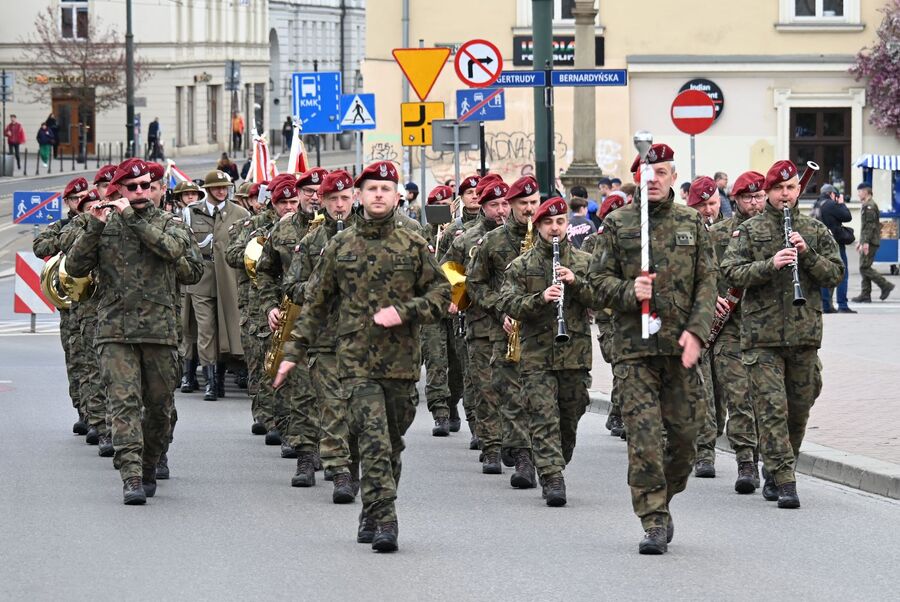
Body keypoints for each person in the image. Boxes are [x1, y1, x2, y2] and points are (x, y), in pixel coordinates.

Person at [278, 160, 451, 553]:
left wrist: (405, 312)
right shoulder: (340, 245)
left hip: (403, 363)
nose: (377, 195)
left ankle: (371, 511)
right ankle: (386, 518)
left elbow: (442, 295)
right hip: (354, 363)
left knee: (390, 444)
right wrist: (293, 352)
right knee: (372, 440)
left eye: (385, 189)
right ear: (359, 196)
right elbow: (317, 304)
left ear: (395, 196)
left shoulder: (412, 243)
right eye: (371, 188)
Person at [588, 143, 716, 554]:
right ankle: (653, 520)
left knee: (685, 438)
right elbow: (595, 282)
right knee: (643, 439)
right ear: (637, 176)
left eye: (662, 172)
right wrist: (629, 290)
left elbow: (707, 284)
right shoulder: (618, 223)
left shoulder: (692, 223)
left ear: (673, 176)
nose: (654, 179)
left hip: (679, 347)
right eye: (647, 171)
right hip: (634, 349)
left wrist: (697, 332)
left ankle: (665, 494)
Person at [65, 158, 202, 504]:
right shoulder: (105, 224)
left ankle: (151, 462)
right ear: (119, 190)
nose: (140, 192)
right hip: (114, 331)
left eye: (145, 186)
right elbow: (74, 266)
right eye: (132, 187)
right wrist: (94, 227)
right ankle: (130, 476)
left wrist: (130, 217)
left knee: (158, 408)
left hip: (160, 333)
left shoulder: (169, 224)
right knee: (123, 405)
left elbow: (177, 255)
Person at [721, 159, 843, 509]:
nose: (785, 194)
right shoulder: (750, 230)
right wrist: (769, 265)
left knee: (798, 409)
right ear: (769, 192)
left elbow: (834, 274)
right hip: (763, 336)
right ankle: (787, 480)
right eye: (778, 189)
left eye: (791, 188)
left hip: (805, 334)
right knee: (772, 408)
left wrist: (806, 255)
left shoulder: (815, 231)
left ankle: (774, 468)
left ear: (798, 190)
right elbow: (730, 270)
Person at [498, 197, 595, 506]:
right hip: (537, 354)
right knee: (543, 415)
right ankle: (552, 476)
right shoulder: (522, 265)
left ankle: (555, 460)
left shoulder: (583, 262)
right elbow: (508, 303)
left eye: (560, 222)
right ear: (538, 226)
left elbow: (604, 298)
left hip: (575, 352)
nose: (555, 228)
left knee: (571, 412)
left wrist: (576, 283)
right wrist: (539, 298)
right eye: (548, 223)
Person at [281, 170, 361, 503]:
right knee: (331, 407)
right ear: (323, 202)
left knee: (358, 411)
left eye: (344, 199)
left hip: (365, 340)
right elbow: (292, 287)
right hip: (325, 340)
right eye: (332, 200)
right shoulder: (312, 241)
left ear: (354, 197)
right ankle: (339, 471)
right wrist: (320, 288)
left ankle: (353, 465)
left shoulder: (372, 235)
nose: (339, 206)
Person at [468, 175, 540, 482]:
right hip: (501, 329)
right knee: (505, 393)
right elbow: (473, 282)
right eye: (522, 203)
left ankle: (534, 449)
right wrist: (500, 309)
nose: (528, 209)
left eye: (533, 203)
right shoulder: (492, 242)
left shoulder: (550, 235)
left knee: (543, 398)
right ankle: (517, 454)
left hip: (542, 331)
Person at [257, 168, 326, 468]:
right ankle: (303, 451)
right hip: (294, 315)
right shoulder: (282, 231)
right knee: (297, 385)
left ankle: (329, 449)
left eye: (319, 192)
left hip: (332, 321)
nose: (314, 197)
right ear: (297, 195)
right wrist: (270, 306)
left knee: (327, 388)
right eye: (308, 192)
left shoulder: (344, 229)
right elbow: (265, 271)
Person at [441, 176, 510, 453]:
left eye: (505, 204)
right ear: (483, 206)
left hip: (519, 323)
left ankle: (512, 439)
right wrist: (457, 297)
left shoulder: (525, 235)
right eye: (495, 205)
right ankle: (489, 442)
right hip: (480, 322)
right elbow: (448, 269)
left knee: (513, 387)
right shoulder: (467, 238)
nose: (501, 210)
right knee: (483, 385)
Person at [707, 170, 767, 493]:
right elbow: (699, 275)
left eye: (759, 196)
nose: (755, 203)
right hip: (729, 327)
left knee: (766, 399)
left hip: (766, 326)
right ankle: (746, 460)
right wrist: (709, 298)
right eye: (748, 197)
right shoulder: (717, 236)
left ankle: (770, 459)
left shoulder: (775, 233)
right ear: (736, 200)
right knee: (739, 394)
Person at [33, 177, 90, 435]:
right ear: (67, 202)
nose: (80, 202)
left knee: (94, 362)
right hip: (70, 304)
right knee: (75, 358)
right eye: (75, 199)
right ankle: (82, 409)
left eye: (83, 197)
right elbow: (40, 245)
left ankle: (95, 413)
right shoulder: (62, 226)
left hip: (92, 300)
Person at [814, 184, 855, 313]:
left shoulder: (816, 205)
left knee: (825, 274)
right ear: (831, 194)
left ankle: (826, 305)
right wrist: (841, 204)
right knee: (842, 273)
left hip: (820, 244)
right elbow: (847, 216)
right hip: (835, 244)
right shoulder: (830, 205)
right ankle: (842, 305)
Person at [852, 182, 894, 302]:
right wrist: (861, 241)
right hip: (868, 240)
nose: (858, 194)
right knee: (864, 266)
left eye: (860, 192)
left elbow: (870, 226)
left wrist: (865, 243)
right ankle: (865, 294)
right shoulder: (867, 204)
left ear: (866, 192)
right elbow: (866, 227)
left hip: (870, 242)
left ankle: (885, 285)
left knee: (864, 267)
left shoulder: (869, 206)